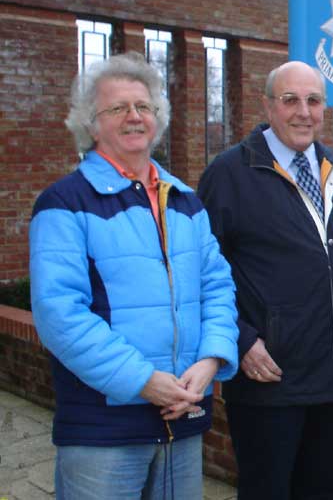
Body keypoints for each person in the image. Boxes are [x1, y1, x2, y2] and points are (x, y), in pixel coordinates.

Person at [28, 52, 240, 500]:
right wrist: (144, 381)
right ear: (90, 123)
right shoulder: (65, 204)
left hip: (183, 417)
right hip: (104, 430)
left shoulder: (185, 201)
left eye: (144, 106)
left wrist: (211, 361)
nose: (134, 117)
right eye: (117, 108)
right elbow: (58, 313)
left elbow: (217, 286)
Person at [197, 60, 333, 500]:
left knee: (321, 490)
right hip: (268, 378)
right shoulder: (230, 173)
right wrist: (240, 340)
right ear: (268, 106)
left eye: (313, 100)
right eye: (290, 99)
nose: (303, 111)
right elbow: (200, 269)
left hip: (329, 376)